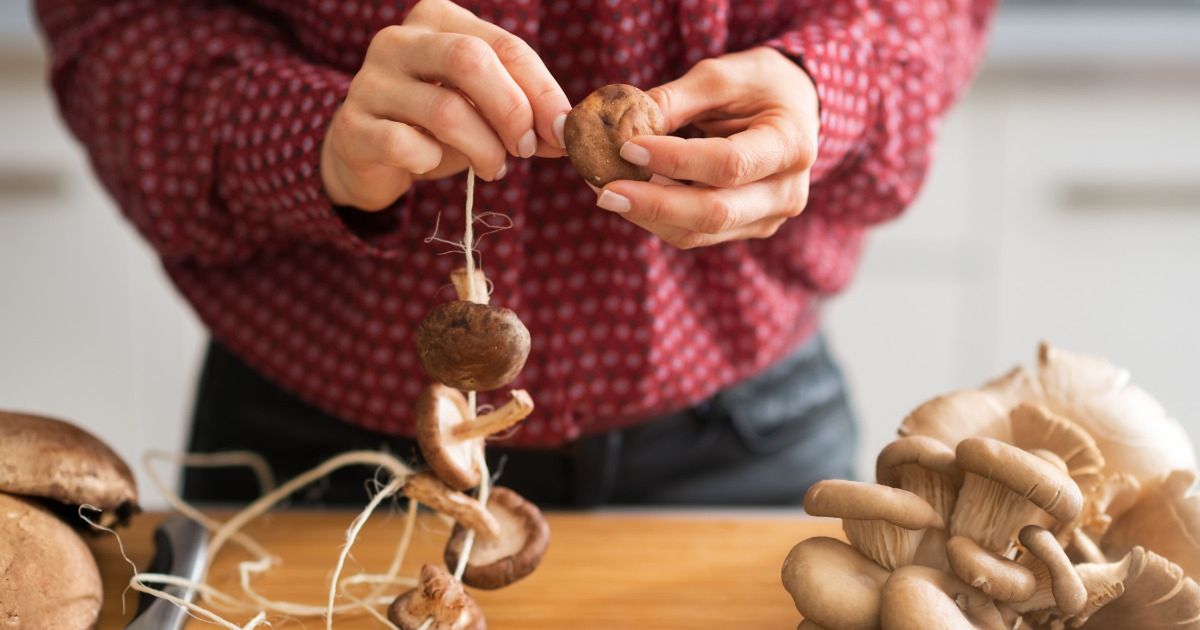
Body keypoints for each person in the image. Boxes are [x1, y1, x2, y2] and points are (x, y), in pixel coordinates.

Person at [36, 0, 994, 507]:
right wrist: (306, 134)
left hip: (740, 432)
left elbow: (929, 13)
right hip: (310, 454)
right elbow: (119, 27)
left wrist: (824, 88)